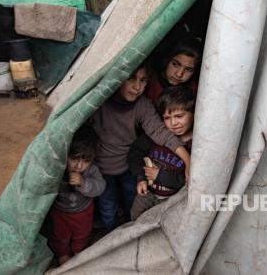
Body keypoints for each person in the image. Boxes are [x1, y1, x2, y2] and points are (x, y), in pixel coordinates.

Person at [89, 63, 191, 231]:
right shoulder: (98, 102)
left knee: (133, 202)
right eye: (131, 79)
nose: (137, 87)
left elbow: (159, 132)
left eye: (143, 80)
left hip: (130, 167)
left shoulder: (142, 105)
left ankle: (128, 234)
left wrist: (188, 160)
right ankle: (109, 237)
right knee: (108, 208)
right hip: (101, 168)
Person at [129, 85, 194, 220]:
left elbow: (188, 182)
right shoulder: (156, 135)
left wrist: (160, 176)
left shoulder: (196, 146)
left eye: (179, 116)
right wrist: (140, 178)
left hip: (171, 200)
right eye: (167, 118)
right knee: (135, 218)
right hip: (146, 193)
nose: (173, 123)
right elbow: (135, 153)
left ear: (194, 113)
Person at [48, 128, 106, 265]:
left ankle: (78, 251)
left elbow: (100, 187)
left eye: (85, 161)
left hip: (83, 212)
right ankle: (62, 254)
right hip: (60, 213)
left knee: (82, 234)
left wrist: (83, 182)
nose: (79, 166)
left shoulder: (92, 170)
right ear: (66, 155)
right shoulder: (58, 168)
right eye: (74, 159)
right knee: (60, 235)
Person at [145, 37, 202, 104]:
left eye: (188, 69)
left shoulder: (197, 91)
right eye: (175, 64)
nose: (179, 74)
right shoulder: (148, 80)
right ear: (166, 60)